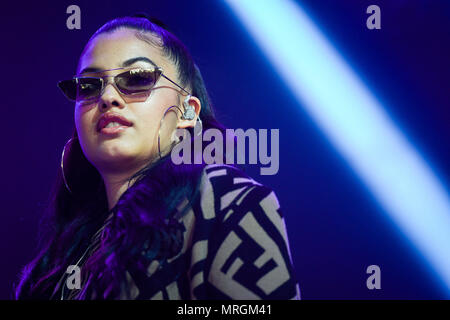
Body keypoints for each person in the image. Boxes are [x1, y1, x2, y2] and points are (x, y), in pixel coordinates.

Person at [15, 14, 300, 300]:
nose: (108, 97)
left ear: (188, 112)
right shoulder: (60, 260)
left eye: (137, 78)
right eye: (90, 85)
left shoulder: (225, 199)